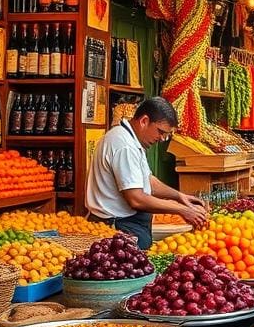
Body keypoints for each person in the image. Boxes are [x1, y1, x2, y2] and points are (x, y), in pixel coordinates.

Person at [85, 97, 208, 250]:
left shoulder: (131, 140)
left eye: (166, 135)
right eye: (160, 132)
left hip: (127, 223)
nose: (162, 139)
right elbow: (136, 199)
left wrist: (179, 196)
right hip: (118, 227)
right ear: (144, 121)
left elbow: (148, 180)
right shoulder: (124, 145)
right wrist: (182, 210)